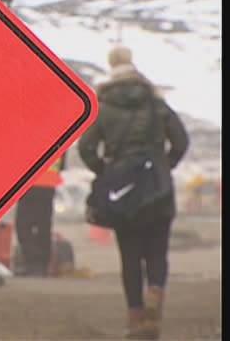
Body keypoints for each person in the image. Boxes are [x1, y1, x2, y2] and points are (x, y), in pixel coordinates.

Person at [78, 46, 189, 340]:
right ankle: (155, 293)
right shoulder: (155, 103)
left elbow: (85, 147)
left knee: (129, 256)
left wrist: (105, 171)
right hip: (158, 188)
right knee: (156, 251)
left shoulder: (103, 105)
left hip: (122, 192)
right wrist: (164, 167)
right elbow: (180, 140)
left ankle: (135, 318)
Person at [14, 151, 66, 277]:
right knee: (43, 227)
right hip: (49, 186)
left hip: (32, 184)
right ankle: (42, 266)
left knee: (23, 226)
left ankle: (34, 263)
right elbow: (62, 165)